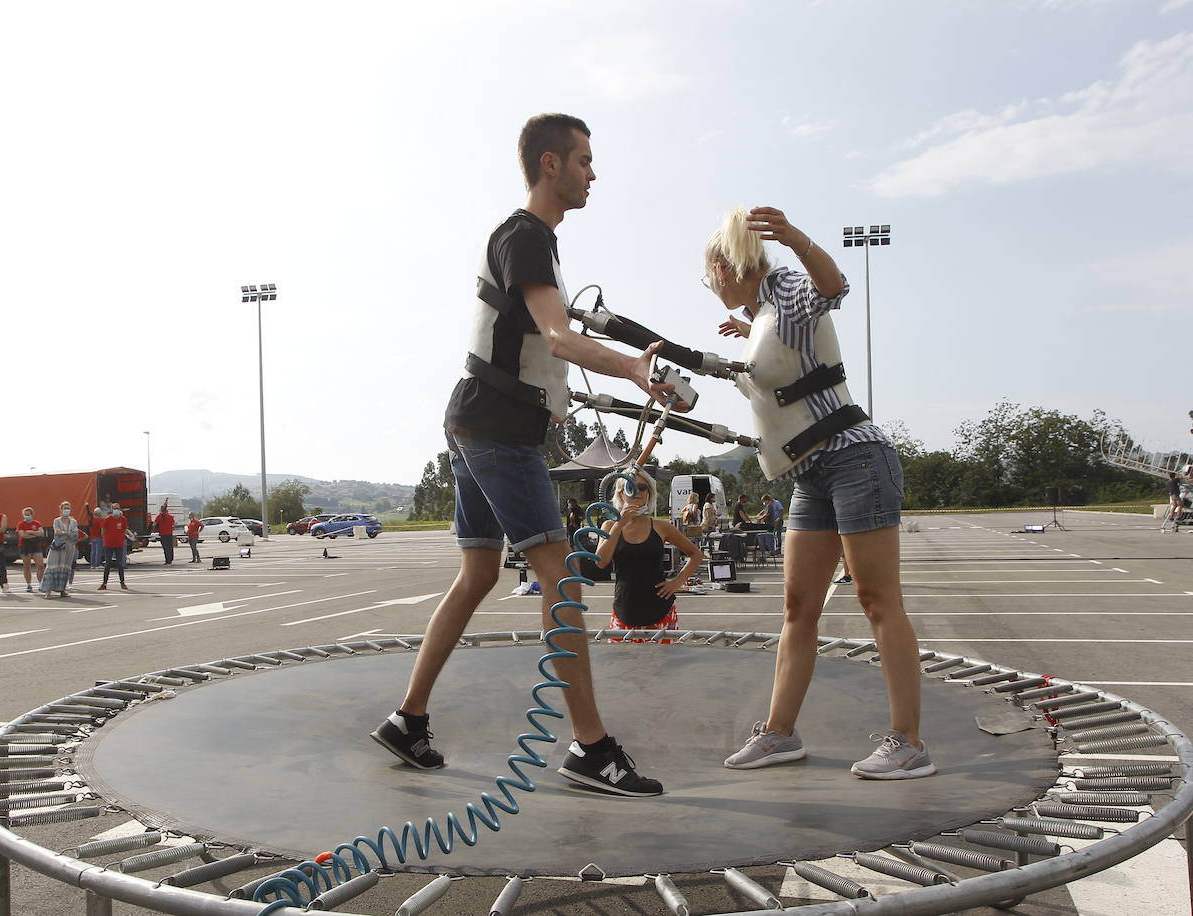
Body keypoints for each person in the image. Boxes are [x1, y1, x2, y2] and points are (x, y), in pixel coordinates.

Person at [370, 113, 683, 798]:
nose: (593, 173)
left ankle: (407, 720)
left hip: (477, 419)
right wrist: (634, 370)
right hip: (496, 429)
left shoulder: (529, 242)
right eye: (584, 161)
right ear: (550, 163)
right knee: (560, 579)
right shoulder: (527, 237)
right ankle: (592, 749)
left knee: (479, 573)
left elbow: (546, 347)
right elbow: (558, 337)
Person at [706, 205, 933, 780]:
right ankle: (780, 733)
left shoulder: (783, 286)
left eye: (711, 272)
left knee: (877, 601)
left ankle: (907, 741)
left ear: (729, 267)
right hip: (809, 474)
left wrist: (796, 239)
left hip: (856, 457)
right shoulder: (762, 316)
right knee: (797, 607)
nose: (709, 284)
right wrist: (748, 331)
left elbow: (833, 287)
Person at [594, 470, 702, 642]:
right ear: (621, 493)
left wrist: (676, 583)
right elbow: (600, 562)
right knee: (622, 665)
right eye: (630, 487)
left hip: (660, 611)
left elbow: (696, 554)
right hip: (625, 610)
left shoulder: (661, 527)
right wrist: (619, 524)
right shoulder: (609, 525)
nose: (636, 492)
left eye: (642, 487)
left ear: (649, 493)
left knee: (663, 666)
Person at [41, 501, 77, 598]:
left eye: (68, 508)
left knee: (65, 567)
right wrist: (67, 533)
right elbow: (57, 532)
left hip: (69, 548)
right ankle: (47, 591)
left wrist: (64, 533)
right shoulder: (57, 520)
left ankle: (62, 590)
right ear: (61, 509)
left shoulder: (73, 522)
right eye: (64, 508)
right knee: (53, 566)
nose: (66, 510)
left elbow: (75, 535)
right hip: (58, 547)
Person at [98, 505, 129, 590]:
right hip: (108, 544)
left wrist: (120, 538)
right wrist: (106, 539)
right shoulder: (107, 519)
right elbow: (103, 531)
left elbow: (124, 530)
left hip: (119, 544)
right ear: (112, 510)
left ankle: (122, 582)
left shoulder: (123, 519)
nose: (116, 510)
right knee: (108, 564)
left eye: (117, 508)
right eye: (114, 508)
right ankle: (104, 583)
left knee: (120, 564)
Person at [16, 507, 44, 592]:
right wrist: (34, 535)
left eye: (29, 514)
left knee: (40, 565)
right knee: (27, 565)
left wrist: (30, 532)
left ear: (32, 514)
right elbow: (22, 535)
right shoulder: (21, 524)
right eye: (26, 514)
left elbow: (41, 532)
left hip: (36, 546)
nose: (27, 516)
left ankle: (41, 584)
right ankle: (28, 584)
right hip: (25, 546)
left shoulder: (37, 523)